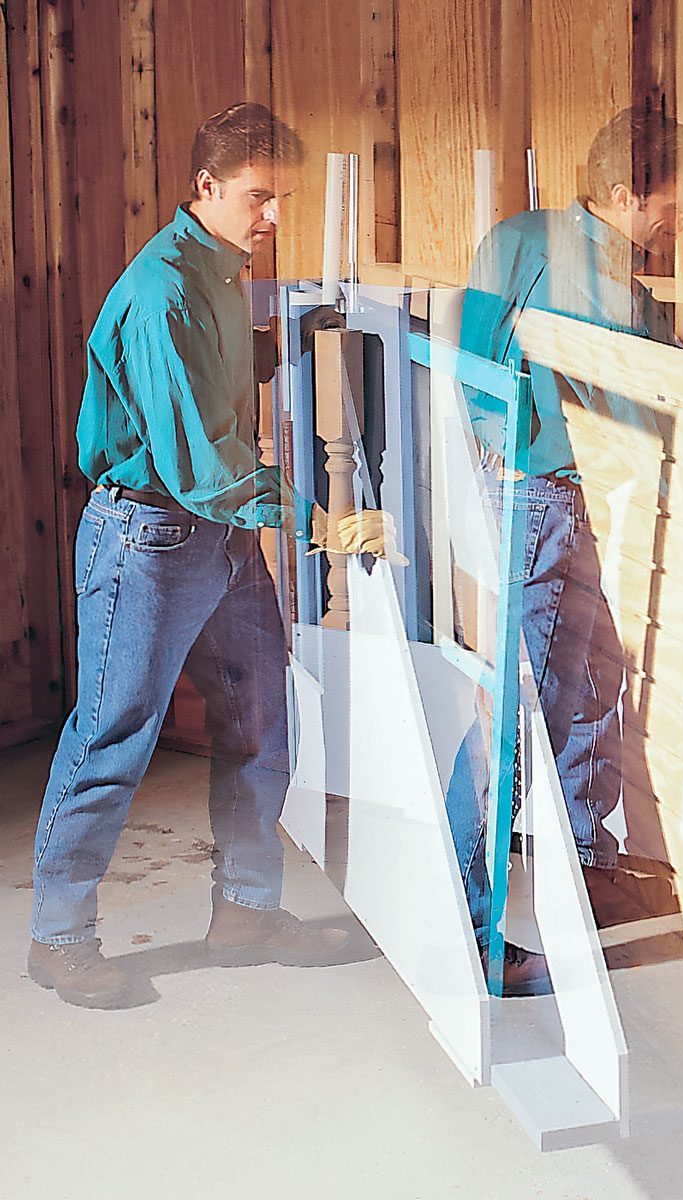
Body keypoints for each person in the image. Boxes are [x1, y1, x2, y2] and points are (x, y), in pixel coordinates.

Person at [28, 102, 386, 1009]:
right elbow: (195, 458)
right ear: (207, 185)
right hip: (149, 536)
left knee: (261, 719)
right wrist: (312, 518)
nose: (273, 216)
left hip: (221, 535)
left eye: (283, 200)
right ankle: (58, 936)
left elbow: (213, 379)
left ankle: (246, 912)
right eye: (260, 197)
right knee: (114, 732)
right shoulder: (163, 289)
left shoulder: (223, 271)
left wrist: (283, 345)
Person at [446, 108, 683, 995]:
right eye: (668, 207)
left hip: (568, 496)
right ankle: (469, 921)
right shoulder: (556, 261)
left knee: (591, 680)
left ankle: (589, 870)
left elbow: (660, 388)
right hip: (546, 494)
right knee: (522, 703)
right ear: (622, 191)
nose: (674, 224)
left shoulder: (592, 270)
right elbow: (499, 375)